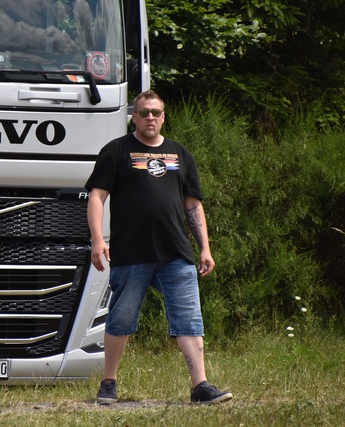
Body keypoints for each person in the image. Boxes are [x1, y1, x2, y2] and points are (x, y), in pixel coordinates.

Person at [85, 90, 232, 405]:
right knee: (121, 318)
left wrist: (204, 248)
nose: (150, 117)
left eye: (155, 112)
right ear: (133, 117)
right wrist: (98, 240)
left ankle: (201, 387)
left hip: (176, 253)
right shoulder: (115, 151)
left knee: (189, 318)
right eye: (143, 112)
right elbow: (97, 196)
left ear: (163, 116)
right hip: (130, 251)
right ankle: (108, 383)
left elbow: (192, 205)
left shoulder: (180, 154)